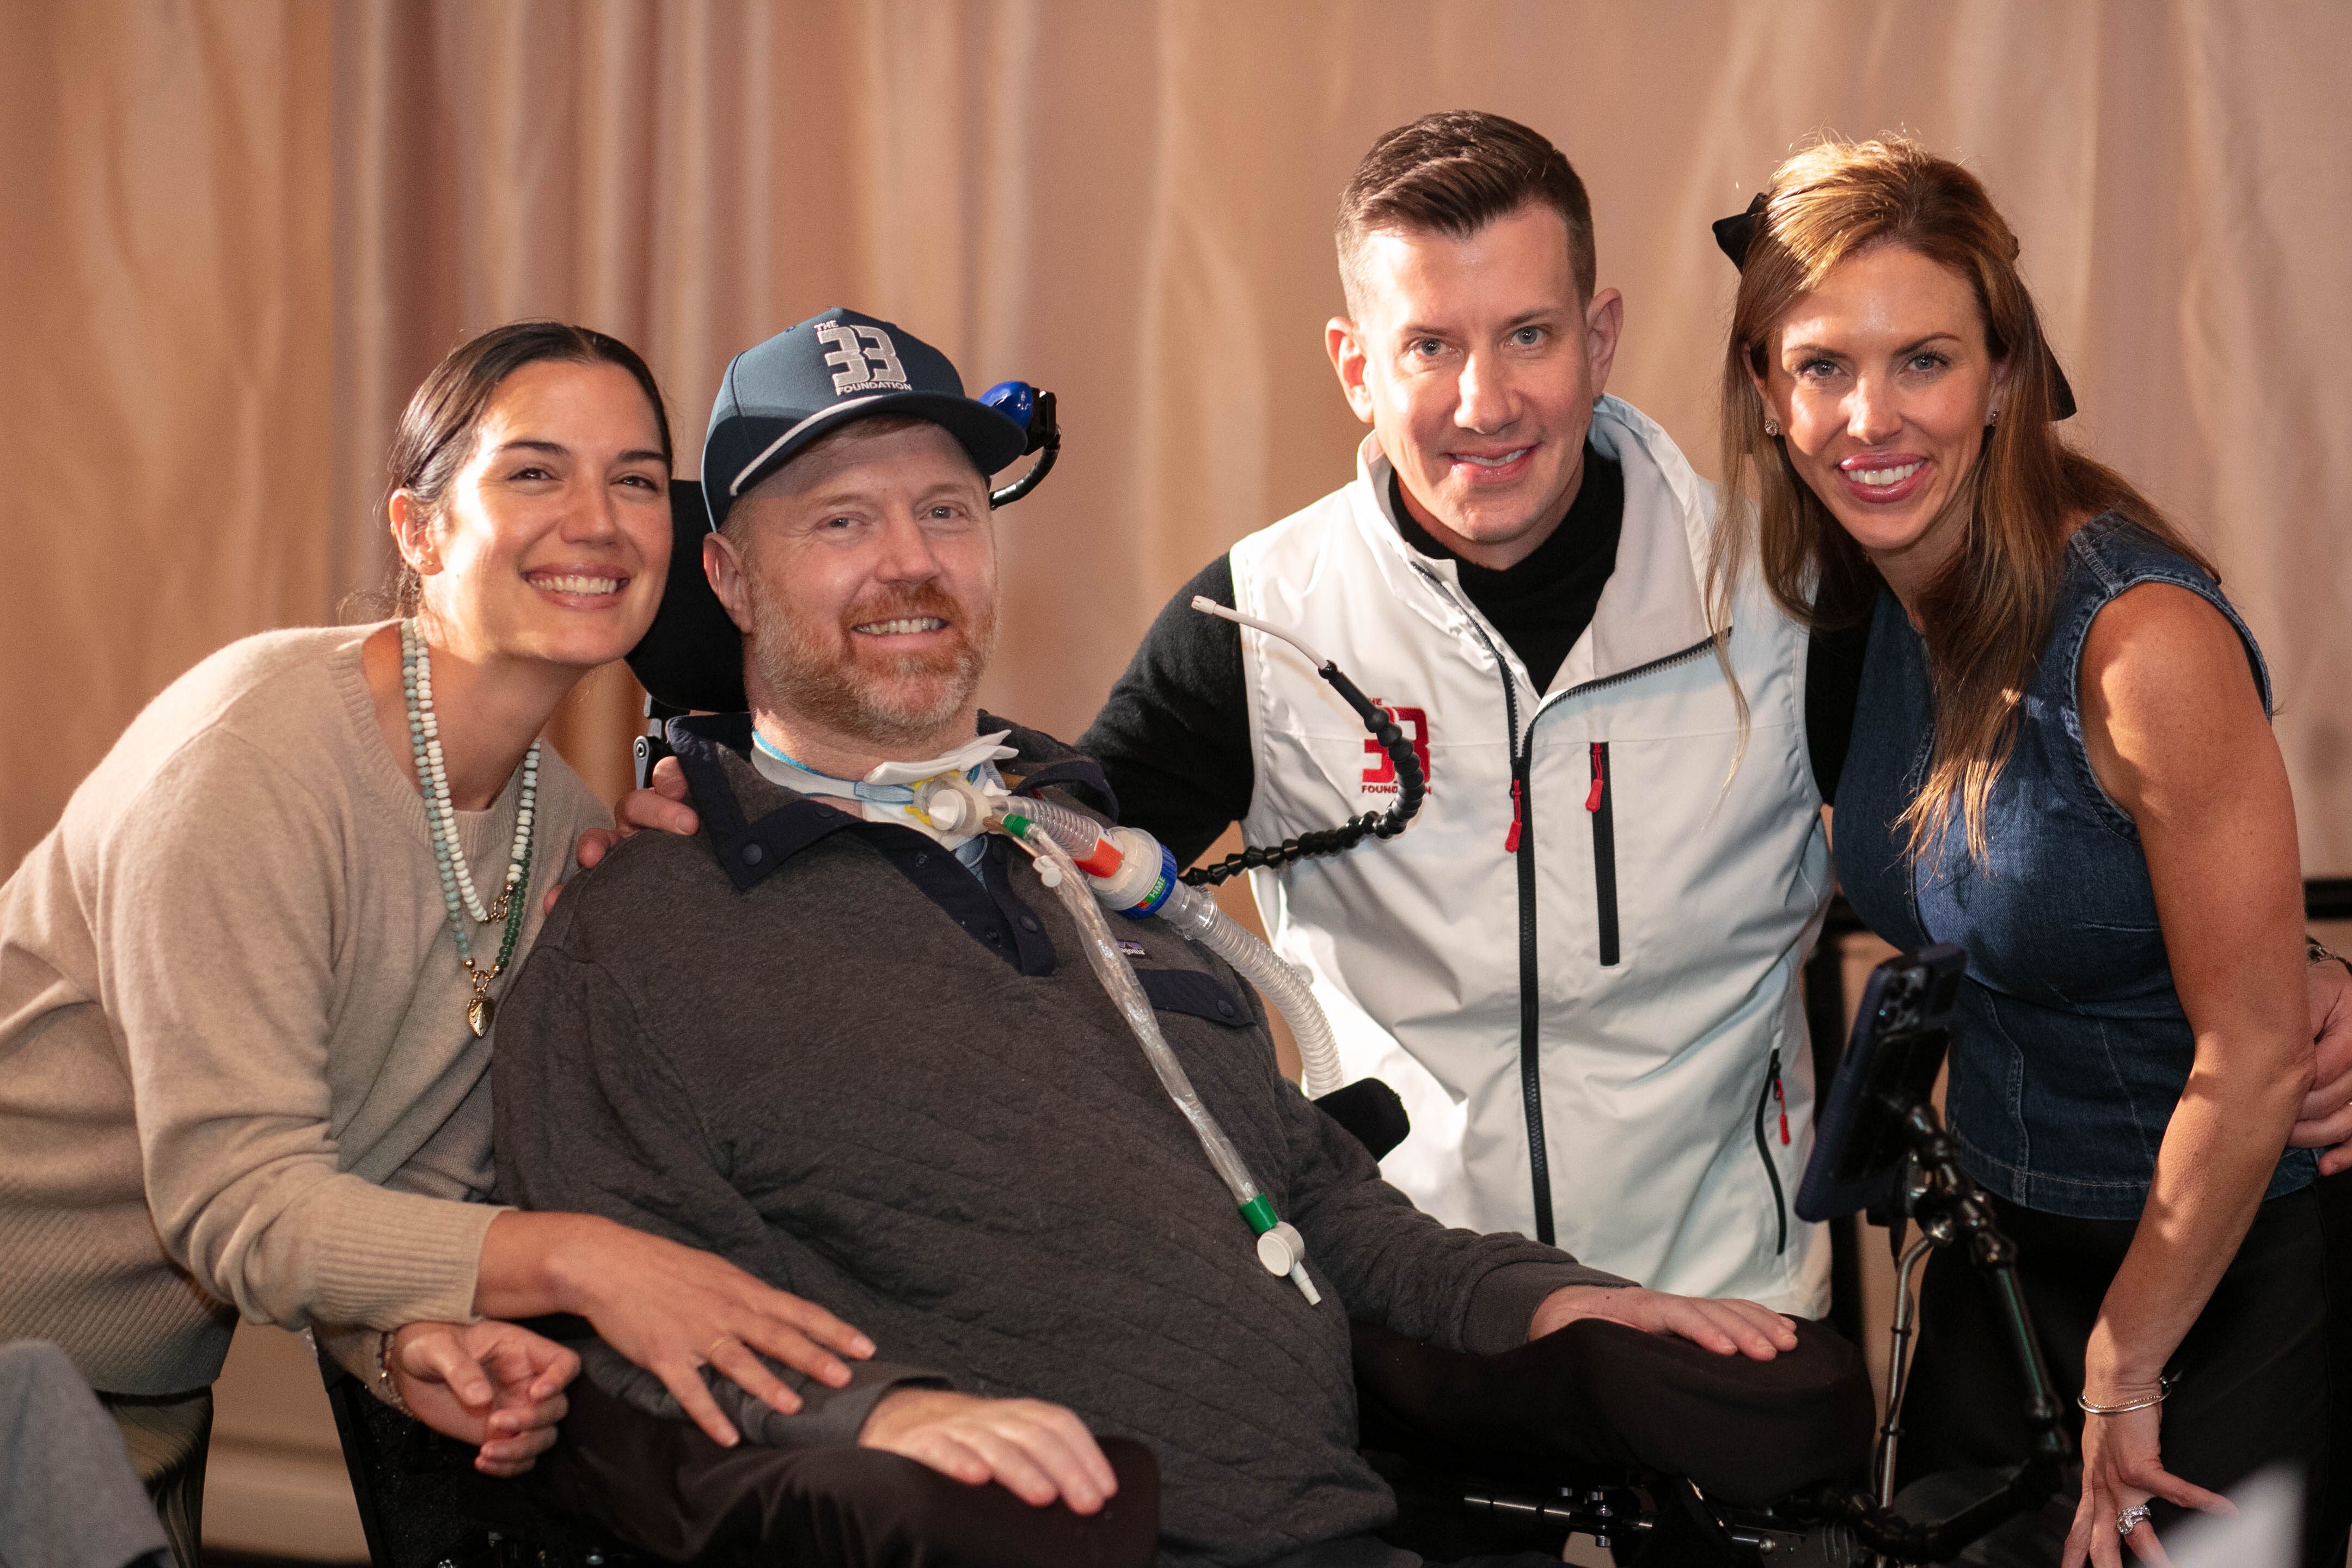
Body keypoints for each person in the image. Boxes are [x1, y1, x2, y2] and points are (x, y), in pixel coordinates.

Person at [491, 309, 1873, 1568]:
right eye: (842, 522)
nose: (910, 562)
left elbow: (1323, 1206)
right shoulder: (648, 933)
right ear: (729, 578)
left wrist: (1553, 1307)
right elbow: (625, 1325)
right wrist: (884, 1419)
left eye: (946, 511)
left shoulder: (1087, 868)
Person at [0, 322, 871, 1564]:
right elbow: (235, 1202)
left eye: (635, 479)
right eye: (536, 472)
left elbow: (386, 1182)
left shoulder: (556, 828)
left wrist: (402, 1340)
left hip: (137, 1413)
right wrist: (586, 1263)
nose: (598, 521)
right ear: (419, 530)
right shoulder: (252, 759)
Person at [1713, 137, 2351, 1568]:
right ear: (1766, 391)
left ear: (2005, 375)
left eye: (1925, 361)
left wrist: (2126, 1362)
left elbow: (2253, 1051)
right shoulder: (1856, 598)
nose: (1871, 417)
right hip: (1999, 1255)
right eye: (1822, 365)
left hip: (2213, 1266)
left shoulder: (2139, 641)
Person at [1079, 111, 1834, 1314]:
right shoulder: (1257, 624)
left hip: (1728, 1309)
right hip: (1412, 1314)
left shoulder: (1781, 591)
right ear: (1356, 368)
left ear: (1600, 339)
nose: (1486, 403)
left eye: (1529, 335)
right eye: (1430, 345)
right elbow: (1049, 889)